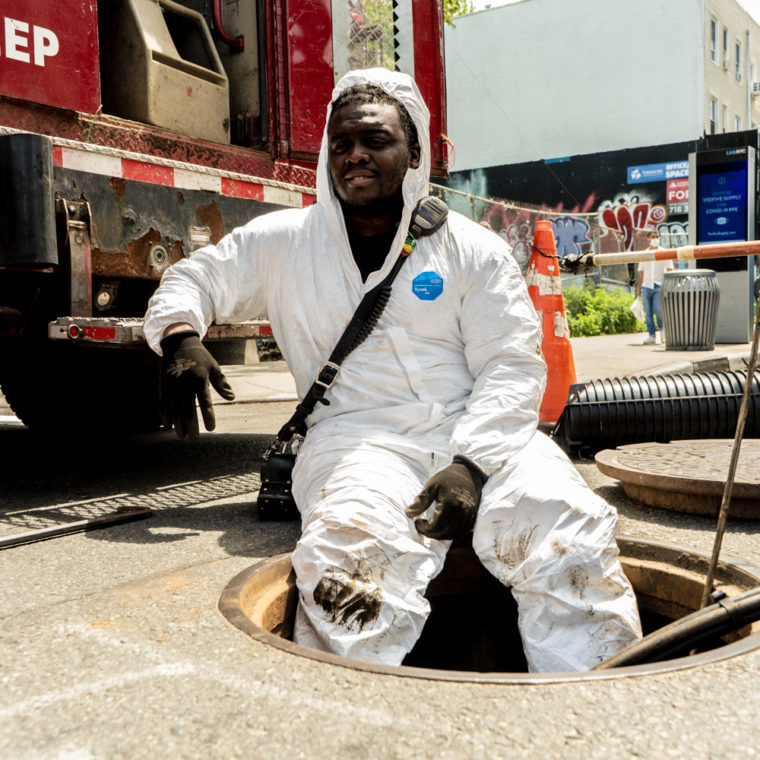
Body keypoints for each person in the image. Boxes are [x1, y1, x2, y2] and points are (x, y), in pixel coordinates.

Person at [143, 68, 641, 672]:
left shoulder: (470, 249)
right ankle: (360, 720)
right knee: (349, 566)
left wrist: (472, 465)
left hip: (481, 436)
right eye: (342, 143)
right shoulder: (285, 241)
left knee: (570, 536)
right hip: (356, 441)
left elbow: (510, 366)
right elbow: (198, 276)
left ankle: (589, 708)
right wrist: (179, 336)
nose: (355, 155)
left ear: (413, 154)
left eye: (375, 141)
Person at [637, 230, 674, 345]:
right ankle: (651, 336)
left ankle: (662, 333)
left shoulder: (664, 252)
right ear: (648, 239)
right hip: (646, 286)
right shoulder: (644, 253)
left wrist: (669, 285)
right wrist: (639, 288)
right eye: (653, 237)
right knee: (648, 313)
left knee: (658, 310)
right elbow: (641, 272)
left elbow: (669, 269)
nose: (655, 239)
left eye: (657, 237)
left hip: (659, 285)